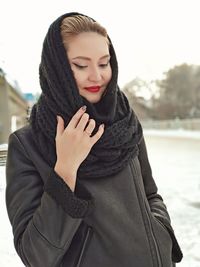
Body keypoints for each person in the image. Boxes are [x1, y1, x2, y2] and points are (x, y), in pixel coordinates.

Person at [6, 12, 183, 267]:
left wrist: (160, 234)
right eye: (80, 65)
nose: (97, 76)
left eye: (103, 63)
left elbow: (151, 195)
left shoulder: (126, 123)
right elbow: (35, 255)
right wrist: (66, 169)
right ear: (57, 69)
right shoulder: (27, 145)